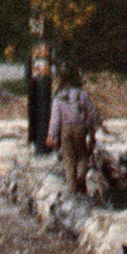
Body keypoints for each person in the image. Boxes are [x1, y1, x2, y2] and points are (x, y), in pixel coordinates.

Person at [47, 69, 99, 197]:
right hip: (80, 129)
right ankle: (80, 178)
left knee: (68, 158)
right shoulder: (83, 95)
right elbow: (92, 112)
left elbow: (55, 119)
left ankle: (72, 187)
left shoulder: (59, 97)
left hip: (65, 130)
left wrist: (51, 136)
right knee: (82, 156)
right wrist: (98, 125)